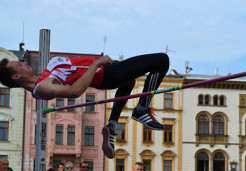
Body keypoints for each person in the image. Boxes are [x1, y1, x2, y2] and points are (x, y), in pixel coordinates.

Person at [0, 53, 170, 159]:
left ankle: (111, 125)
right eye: (19, 64)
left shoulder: (43, 75)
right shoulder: (41, 87)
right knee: (162, 60)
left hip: (109, 72)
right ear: (16, 76)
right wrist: (97, 63)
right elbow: (75, 91)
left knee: (129, 82)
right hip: (107, 73)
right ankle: (142, 109)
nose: (23, 62)